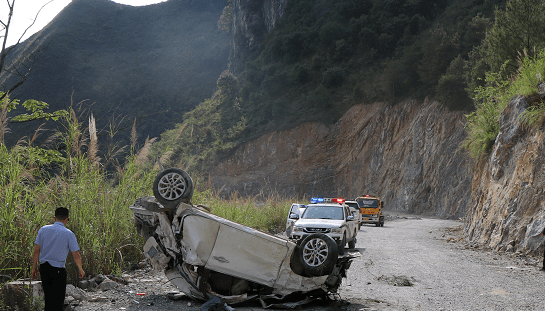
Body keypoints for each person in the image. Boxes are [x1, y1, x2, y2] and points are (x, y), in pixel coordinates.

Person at [32, 207, 85, 311]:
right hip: (58, 270)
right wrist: (80, 269)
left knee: (48, 298)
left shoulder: (43, 229)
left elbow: (36, 250)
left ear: (54, 218)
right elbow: (76, 254)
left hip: (44, 268)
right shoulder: (68, 233)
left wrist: (34, 267)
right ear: (67, 219)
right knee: (57, 301)